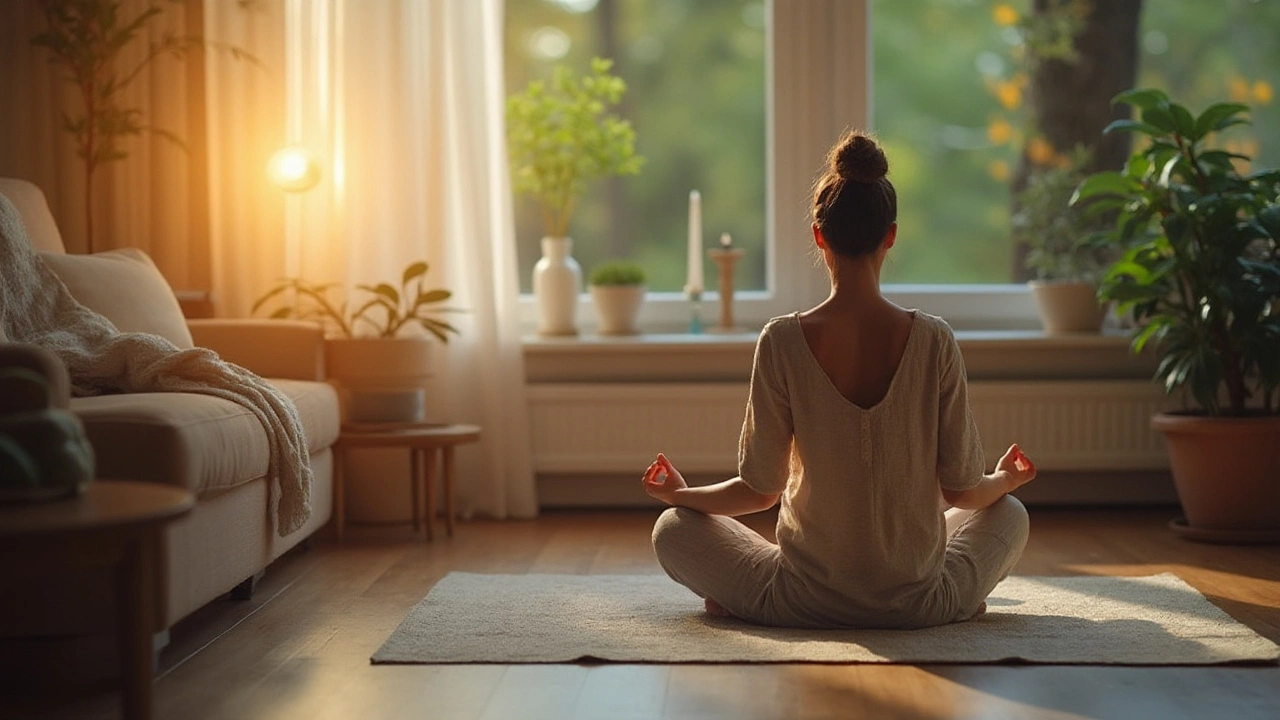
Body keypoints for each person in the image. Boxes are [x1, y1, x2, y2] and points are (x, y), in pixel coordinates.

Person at [642, 130, 1037, 629]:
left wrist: (681, 496)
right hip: (919, 604)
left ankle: (745, 603)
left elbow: (759, 490)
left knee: (673, 529)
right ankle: (959, 601)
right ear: (890, 235)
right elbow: (963, 491)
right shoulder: (935, 339)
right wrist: (1006, 479)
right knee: (1010, 513)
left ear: (818, 235)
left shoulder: (781, 340)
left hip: (802, 601)